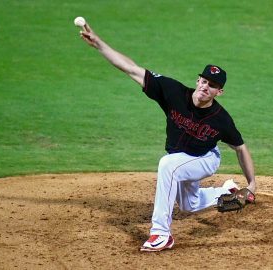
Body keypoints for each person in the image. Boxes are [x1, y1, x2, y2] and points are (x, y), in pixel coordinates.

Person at [79, 22, 257, 252]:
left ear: (219, 91)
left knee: (168, 166)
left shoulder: (221, 118)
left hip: (205, 158)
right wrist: (100, 45)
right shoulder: (173, 91)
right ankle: (227, 190)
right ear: (198, 80)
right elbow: (132, 69)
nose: (205, 87)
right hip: (182, 157)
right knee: (189, 204)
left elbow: (240, 148)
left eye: (212, 85)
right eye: (204, 81)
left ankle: (161, 234)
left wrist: (253, 184)